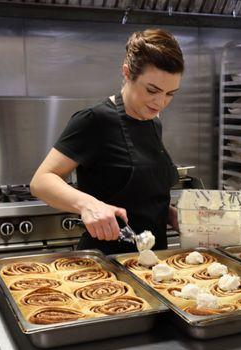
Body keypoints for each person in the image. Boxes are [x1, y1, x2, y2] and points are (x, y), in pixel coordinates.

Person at [31, 28, 183, 255]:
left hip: (152, 262)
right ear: (127, 73)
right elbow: (41, 181)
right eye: (152, 90)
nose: (160, 102)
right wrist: (87, 205)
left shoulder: (153, 122)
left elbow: (141, 197)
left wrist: (171, 215)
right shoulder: (95, 120)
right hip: (106, 263)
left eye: (171, 93)